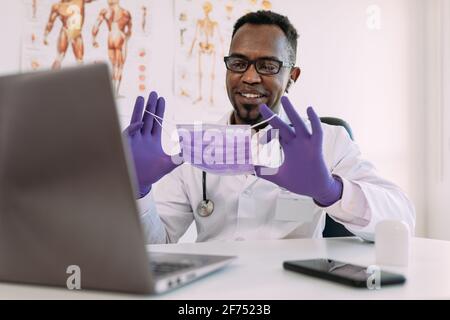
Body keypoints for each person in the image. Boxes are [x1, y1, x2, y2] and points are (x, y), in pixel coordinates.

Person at [125, 11, 415, 244]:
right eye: (238, 63)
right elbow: (155, 246)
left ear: (293, 76)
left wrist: (330, 190)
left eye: (268, 66)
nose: (249, 77)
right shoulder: (192, 145)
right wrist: (138, 189)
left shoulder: (329, 141)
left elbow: (402, 220)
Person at [92, 0, 132, 97]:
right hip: (120, 36)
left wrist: (94, 39)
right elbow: (129, 30)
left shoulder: (105, 11)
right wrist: (126, 37)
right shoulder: (125, 12)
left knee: (113, 65)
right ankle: (115, 93)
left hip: (110, 36)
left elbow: (96, 25)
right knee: (119, 66)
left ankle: (113, 93)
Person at [43, 0, 96, 70]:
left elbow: (50, 23)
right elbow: (50, 23)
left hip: (68, 31)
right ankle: (52, 77)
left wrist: (46, 35)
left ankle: (52, 78)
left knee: (61, 57)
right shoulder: (58, 6)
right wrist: (45, 35)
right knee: (76, 60)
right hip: (73, 31)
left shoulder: (57, 6)